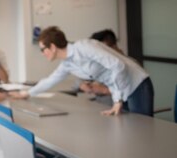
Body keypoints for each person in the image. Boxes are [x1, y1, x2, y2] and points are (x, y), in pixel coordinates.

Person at [13, 26, 154, 116]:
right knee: (128, 130)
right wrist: (26, 94)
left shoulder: (84, 47)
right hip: (120, 89)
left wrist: (117, 99)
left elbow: (118, 65)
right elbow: (50, 80)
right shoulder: (67, 64)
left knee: (141, 132)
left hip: (136, 84)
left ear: (53, 47)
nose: (42, 53)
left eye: (43, 49)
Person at [78, 29, 122, 99]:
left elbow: (129, 90)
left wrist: (104, 90)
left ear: (114, 47)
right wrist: (83, 85)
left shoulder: (125, 65)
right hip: (99, 105)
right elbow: (81, 80)